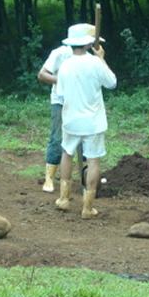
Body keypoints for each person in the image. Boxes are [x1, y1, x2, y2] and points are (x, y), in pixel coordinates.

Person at [54, 24, 117, 218]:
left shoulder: (65, 64)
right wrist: (102, 60)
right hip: (93, 121)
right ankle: (87, 207)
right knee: (93, 160)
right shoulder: (95, 63)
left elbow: (61, 93)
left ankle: (64, 198)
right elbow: (112, 83)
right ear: (89, 43)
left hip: (71, 119)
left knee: (67, 153)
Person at [36, 23, 96, 193]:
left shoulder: (90, 57)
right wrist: (63, 80)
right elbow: (42, 74)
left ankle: (85, 179)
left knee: (84, 140)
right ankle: (49, 178)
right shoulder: (60, 53)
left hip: (82, 103)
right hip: (60, 101)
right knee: (57, 138)